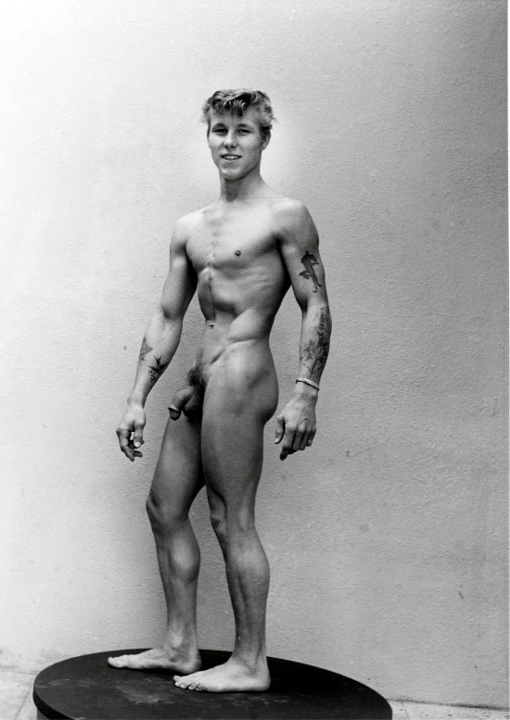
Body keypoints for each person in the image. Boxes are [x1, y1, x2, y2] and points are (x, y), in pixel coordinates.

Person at [108, 89, 331, 693]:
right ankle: (180, 645)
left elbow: (315, 304)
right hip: (200, 379)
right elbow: (168, 315)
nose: (230, 142)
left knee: (230, 519)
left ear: (264, 139)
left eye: (244, 131)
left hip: (243, 371)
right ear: (207, 137)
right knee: (163, 508)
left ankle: (250, 662)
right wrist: (137, 398)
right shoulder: (191, 227)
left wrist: (306, 391)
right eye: (219, 130)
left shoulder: (285, 215)